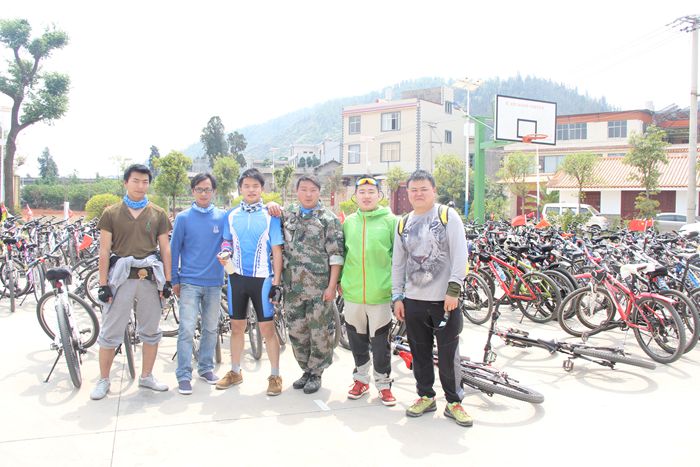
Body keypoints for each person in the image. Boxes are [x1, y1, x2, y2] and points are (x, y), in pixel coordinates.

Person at [391, 169, 471, 427]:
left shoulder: (447, 216)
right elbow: (398, 263)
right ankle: (426, 396)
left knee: (448, 354)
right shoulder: (403, 223)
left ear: (433, 191)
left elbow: (460, 254)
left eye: (423, 189)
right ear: (407, 193)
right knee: (419, 352)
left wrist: (454, 289)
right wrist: (397, 296)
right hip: (413, 300)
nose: (418, 194)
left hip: (444, 301)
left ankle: (454, 402)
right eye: (413, 190)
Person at [91, 164, 173, 400]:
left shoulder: (157, 213)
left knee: (151, 330)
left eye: (145, 182)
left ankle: (147, 376)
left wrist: (168, 281)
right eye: (136, 181)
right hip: (121, 280)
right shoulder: (111, 213)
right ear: (126, 182)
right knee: (110, 331)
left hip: (149, 279)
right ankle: (103, 380)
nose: (140, 186)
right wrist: (103, 284)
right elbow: (104, 250)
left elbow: (165, 249)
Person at [215, 168, 284, 396]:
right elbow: (226, 241)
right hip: (236, 278)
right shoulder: (231, 215)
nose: (251, 190)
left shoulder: (270, 215)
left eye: (255, 186)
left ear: (262, 189)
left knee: (267, 329)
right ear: (240, 189)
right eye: (247, 186)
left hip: (262, 279)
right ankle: (235, 371)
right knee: (236, 327)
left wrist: (276, 283)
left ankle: (275, 375)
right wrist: (225, 252)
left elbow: (277, 251)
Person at [282, 175, 344, 394]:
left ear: (319, 192)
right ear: (297, 191)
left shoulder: (328, 219)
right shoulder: (288, 214)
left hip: (318, 288)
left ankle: (316, 373)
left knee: (319, 332)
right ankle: (305, 370)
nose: (308, 194)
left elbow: (336, 256)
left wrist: (332, 286)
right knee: (297, 332)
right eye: (304, 189)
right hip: (292, 288)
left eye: (313, 190)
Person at [340, 175, 397, 406]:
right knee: (357, 340)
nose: (366, 196)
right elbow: (342, 255)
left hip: (380, 294)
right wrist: (341, 283)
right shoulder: (349, 223)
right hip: (353, 293)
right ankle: (361, 380)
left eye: (371, 192)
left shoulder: (391, 221)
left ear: (379, 196)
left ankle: (383, 384)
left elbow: (398, 257)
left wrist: (396, 289)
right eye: (361, 193)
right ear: (355, 196)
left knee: (381, 343)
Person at [170, 173, 226, 395]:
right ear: (193, 191)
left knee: (211, 328)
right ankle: (184, 375)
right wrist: (174, 279)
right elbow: (174, 250)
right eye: (199, 189)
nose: (204, 193)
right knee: (186, 329)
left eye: (208, 189)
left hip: (214, 283)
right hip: (190, 282)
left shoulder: (222, 217)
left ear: (214, 192)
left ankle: (205, 368)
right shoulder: (183, 218)